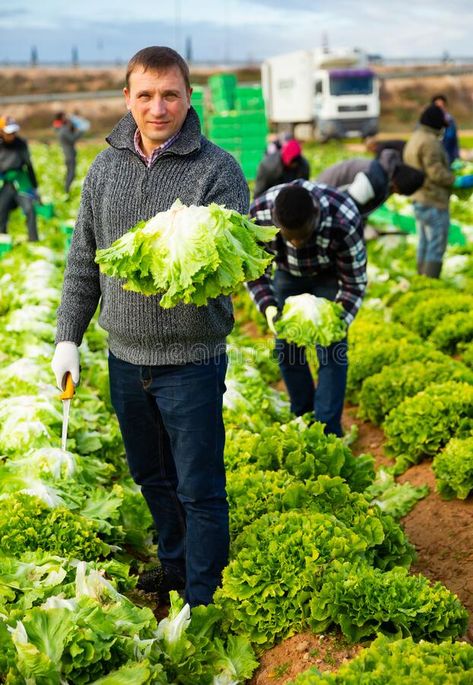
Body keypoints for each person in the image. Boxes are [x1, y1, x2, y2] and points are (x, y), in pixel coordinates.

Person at [51, 46, 249, 608]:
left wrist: (174, 239)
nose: (158, 107)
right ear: (127, 99)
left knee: (200, 486)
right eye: (146, 95)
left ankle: (205, 597)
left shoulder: (219, 169)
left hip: (191, 359)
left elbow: (225, 269)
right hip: (125, 357)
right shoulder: (104, 167)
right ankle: (175, 563)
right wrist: (68, 336)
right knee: (151, 476)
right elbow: (82, 260)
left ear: (189, 98)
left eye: (170, 95)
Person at [246, 180, 367, 437]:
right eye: (290, 237)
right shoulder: (260, 215)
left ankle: (327, 429)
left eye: (303, 235)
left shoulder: (343, 218)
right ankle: (302, 414)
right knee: (287, 349)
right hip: (288, 274)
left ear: (316, 215)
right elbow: (255, 272)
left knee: (332, 352)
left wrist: (337, 321)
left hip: (328, 275)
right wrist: (267, 305)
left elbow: (354, 283)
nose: (297, 243)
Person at [403, 103, 455, 278]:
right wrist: (456, 179)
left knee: (424, 242)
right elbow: (435, 172)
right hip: (433, 198)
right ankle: (431, 280)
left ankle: (421, 278)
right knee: (436, 244)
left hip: (419, 198)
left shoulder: (416, 137)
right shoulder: (430, 142)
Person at [316, 149, 424, 219]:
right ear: (399, 184)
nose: (397, 194)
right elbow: (345, 208)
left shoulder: (386, 175)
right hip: (322, 198)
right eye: (400, 192)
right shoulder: (374, 179)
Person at [0, 116, 39, 242]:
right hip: (5, 182)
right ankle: (3, 240)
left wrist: (35, 187)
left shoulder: (21, 144)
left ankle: (33, 240)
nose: (12, 135)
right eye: (9, 132)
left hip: (21, 181)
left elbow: (29, 165)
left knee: (30, 210)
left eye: (13, 132)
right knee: (1, 211)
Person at [52, 112, 84, 194]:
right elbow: (72, 138)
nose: (66, 118)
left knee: (69, 173)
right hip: (69, 155)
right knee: (71, 174)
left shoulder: (60, 128)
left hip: (67, 154)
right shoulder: (63, 130)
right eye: (64, 117)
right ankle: (67, 191)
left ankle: (66, 190)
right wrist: (80, 132)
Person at [431, 94, 459, 165]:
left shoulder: (450, 120)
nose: (440, 108)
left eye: (442, 105)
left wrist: (456, 158)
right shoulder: (428, 121)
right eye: (437, 106)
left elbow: (454, 141)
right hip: (434, 159)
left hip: (448, 158)